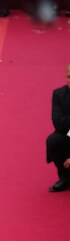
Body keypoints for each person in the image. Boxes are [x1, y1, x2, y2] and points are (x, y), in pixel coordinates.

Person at [46, 63, 70, 193]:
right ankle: (65, 178)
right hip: (68, 133)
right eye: (69, 76)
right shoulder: (59, 94)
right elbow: (58, 123)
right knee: (54, 141)